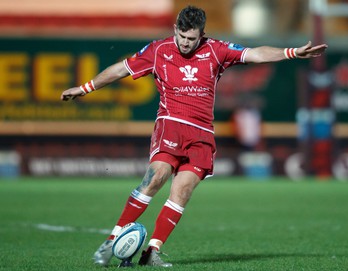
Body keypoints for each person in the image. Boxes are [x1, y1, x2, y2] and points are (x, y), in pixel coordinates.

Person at [61, 5, 328, 268]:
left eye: (192, 39)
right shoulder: (158, 50)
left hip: (201, 134)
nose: (186, 43)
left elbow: (255, 54)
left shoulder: (215, 49)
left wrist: (291, 52)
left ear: (202, 35)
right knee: (156, 177)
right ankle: (111, 241)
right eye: (182, 36)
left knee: (183, 190)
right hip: (171, 126)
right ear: (175, 29)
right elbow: (121, 69)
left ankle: (152, 251)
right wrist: (85, 88)